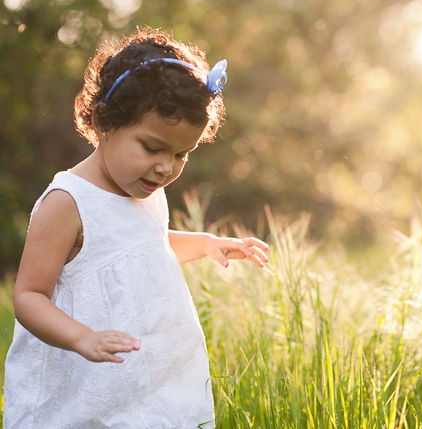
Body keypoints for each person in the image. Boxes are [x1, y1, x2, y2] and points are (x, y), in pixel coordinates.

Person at [3, 26, 269, 428]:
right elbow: (28, 296)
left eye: (181, 154)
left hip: (145, 376)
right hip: (81, 382)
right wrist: (81, 337)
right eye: (151, 147)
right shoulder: (67, 203)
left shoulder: (143, 189)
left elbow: (140, 250)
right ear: (105, 122)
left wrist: (205, 243)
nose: (165, 167)